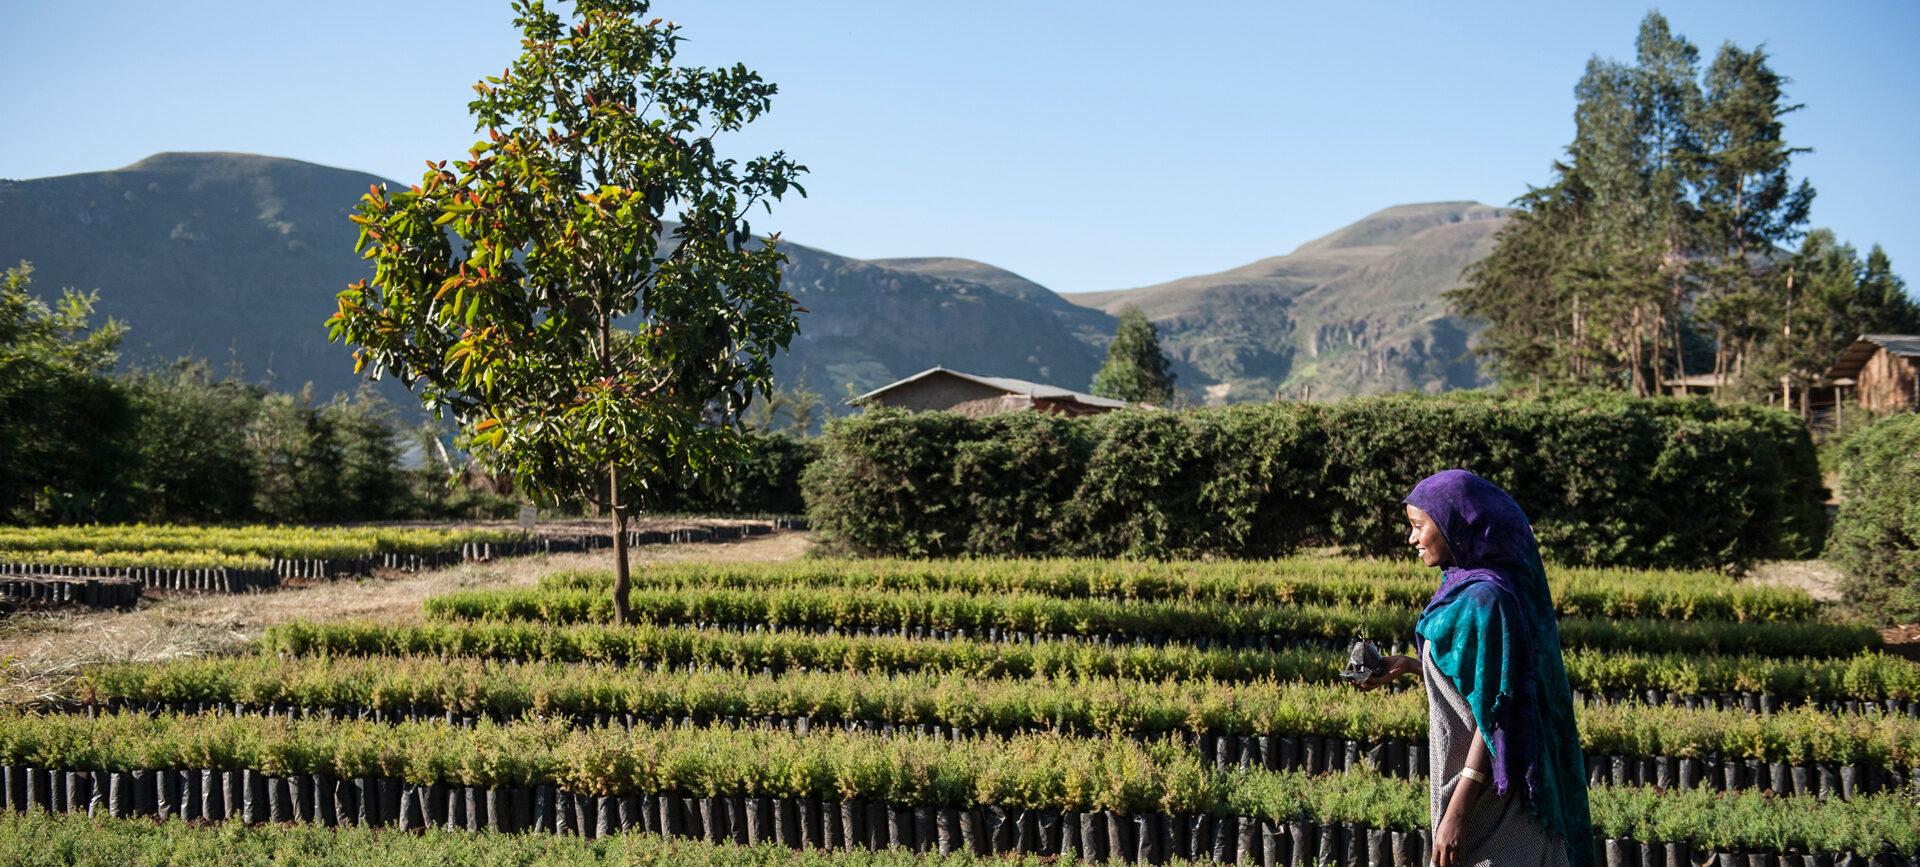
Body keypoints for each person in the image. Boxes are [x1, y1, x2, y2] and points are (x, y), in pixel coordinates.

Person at [1354, 469, 1593, 867]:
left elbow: (1497, 712)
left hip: (1494, 800)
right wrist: (1413, 667)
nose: (1411, 539)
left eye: (1418, 527)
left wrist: (1457, 812)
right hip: (1468, 785)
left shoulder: (1487, 600)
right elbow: (1477, 680)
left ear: (1453, 525)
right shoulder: (1460, 584)